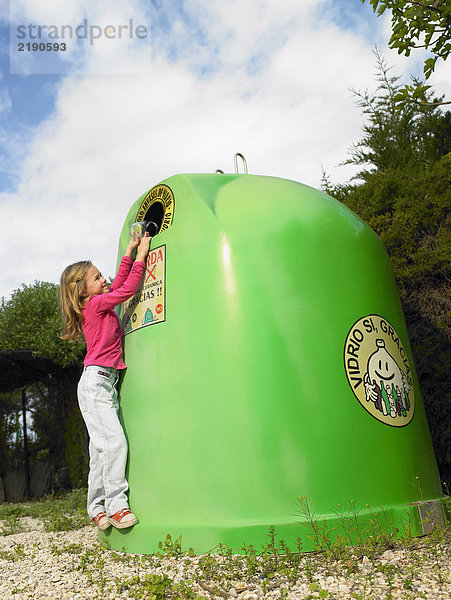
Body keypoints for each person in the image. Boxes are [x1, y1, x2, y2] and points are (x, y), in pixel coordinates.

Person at [59, 232, 151, 530]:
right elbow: (127, 290)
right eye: (97, 278)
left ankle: (96, 508)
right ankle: (116, 505)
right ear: (83, 292)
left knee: (100, 451)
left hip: (102, 385)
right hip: (95, 384)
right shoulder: (96, 306)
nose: (103, 280)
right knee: (115, 443)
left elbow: (118, 284)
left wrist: (128, 251)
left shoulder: (98, 303)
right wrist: (141, 257)